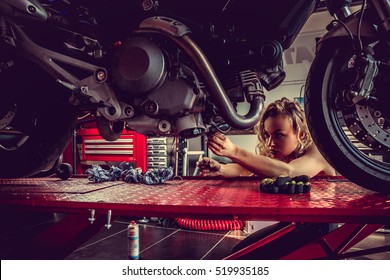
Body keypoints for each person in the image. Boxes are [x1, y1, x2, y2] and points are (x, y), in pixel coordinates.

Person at [196, 97, 337, 259]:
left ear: (302, 135)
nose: (270, 143)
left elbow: (290, 172)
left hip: (319, 231)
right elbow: (243, 170)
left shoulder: (319, 151)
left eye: (279, 135)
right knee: (240, 253)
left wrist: (234, 151)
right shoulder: (281, 155)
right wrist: (220, 169)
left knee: (247, 259)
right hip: (293, 224)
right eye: (267, 135)